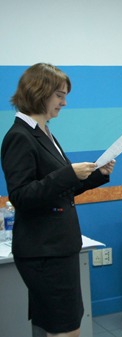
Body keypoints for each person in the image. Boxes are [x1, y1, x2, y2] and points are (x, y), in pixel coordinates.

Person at [1, 63, 115, 337]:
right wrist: (67, 174)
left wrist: (96, 175)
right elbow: (22, 195)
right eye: (59, 95)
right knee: (66, 330)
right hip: (44, 251)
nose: (64, 102)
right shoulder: (20, 136)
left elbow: (59, 189)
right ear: (40, 92)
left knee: (54, 327)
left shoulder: (44, 132)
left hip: (56, 247)